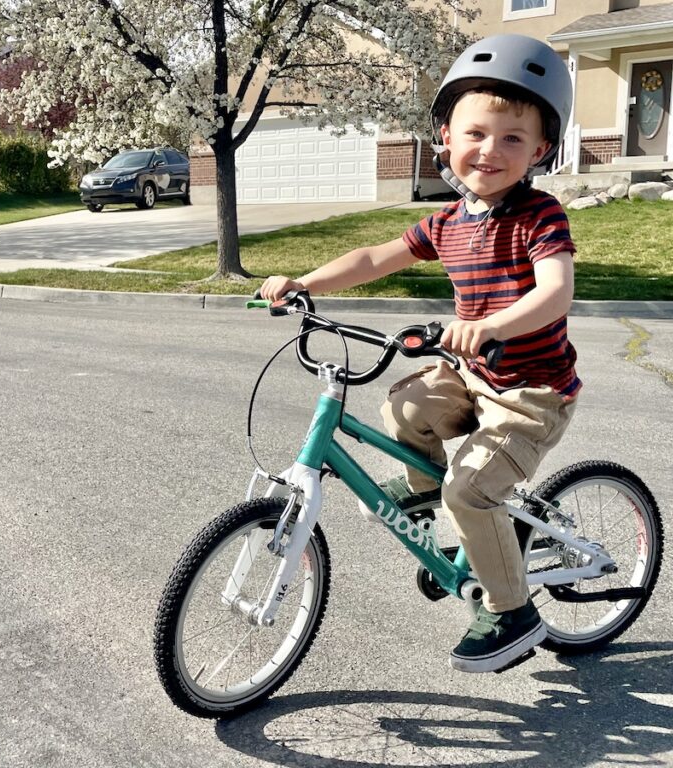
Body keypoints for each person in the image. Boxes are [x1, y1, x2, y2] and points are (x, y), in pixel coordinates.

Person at [260, 34, 580, 674]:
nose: (490, 150)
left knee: (470, 493)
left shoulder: (540, 215)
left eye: (513, 139)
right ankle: (427, 497)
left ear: (540, 150)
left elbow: (555, 292)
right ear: (446, 136)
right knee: (406, 406)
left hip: (530, 392)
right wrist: (304, 282)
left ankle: (512, 612)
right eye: (477, 133)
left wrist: (491, 325)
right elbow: (377, 257)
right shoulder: (448, 221)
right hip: (473, 372)